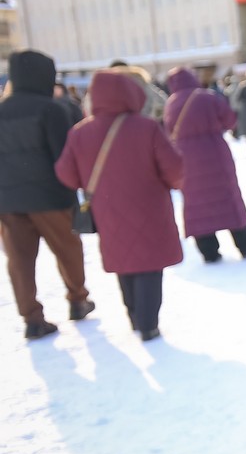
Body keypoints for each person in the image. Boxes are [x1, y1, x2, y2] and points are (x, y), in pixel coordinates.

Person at [54, 70, 183, 341]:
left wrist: (89, 181)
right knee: (149, 263)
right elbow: (174, 170)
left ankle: (135, 317)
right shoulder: (146, 127)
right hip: (150, 208)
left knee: (124, 260)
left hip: (107, 210)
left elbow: (65, 174)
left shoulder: (80, 132)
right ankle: (148, 324)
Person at [0, 50, 94, 339]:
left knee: (19, 261)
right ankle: (78, 300)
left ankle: (32, 318)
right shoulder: (51, 109)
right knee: (68, 250)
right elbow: (63, 156)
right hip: (51, 198)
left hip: (8, 201)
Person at [163, 67, 246, 263]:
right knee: (228, 198)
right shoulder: (208, 97)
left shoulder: (171, 104)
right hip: (216, 152)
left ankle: (209, 251)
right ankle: (245, 245)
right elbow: (230, 120)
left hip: (186, 158)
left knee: (196, 203)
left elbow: (168, 130)